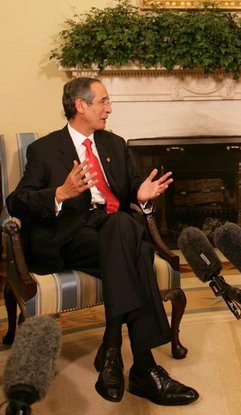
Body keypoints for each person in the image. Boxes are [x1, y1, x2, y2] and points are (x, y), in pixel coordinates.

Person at [6, 77, 199, 406]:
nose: (109, 109)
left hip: (111, 230)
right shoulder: (45, 149)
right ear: (80, 105)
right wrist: (60, 194)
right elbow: (17, 201)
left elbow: (131, 187)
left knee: (123, 228)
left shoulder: (114, 144)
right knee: (135, 247)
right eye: (103, 102)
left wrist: (141, 194)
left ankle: (115, 353)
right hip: (69, 235)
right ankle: (142, 367)